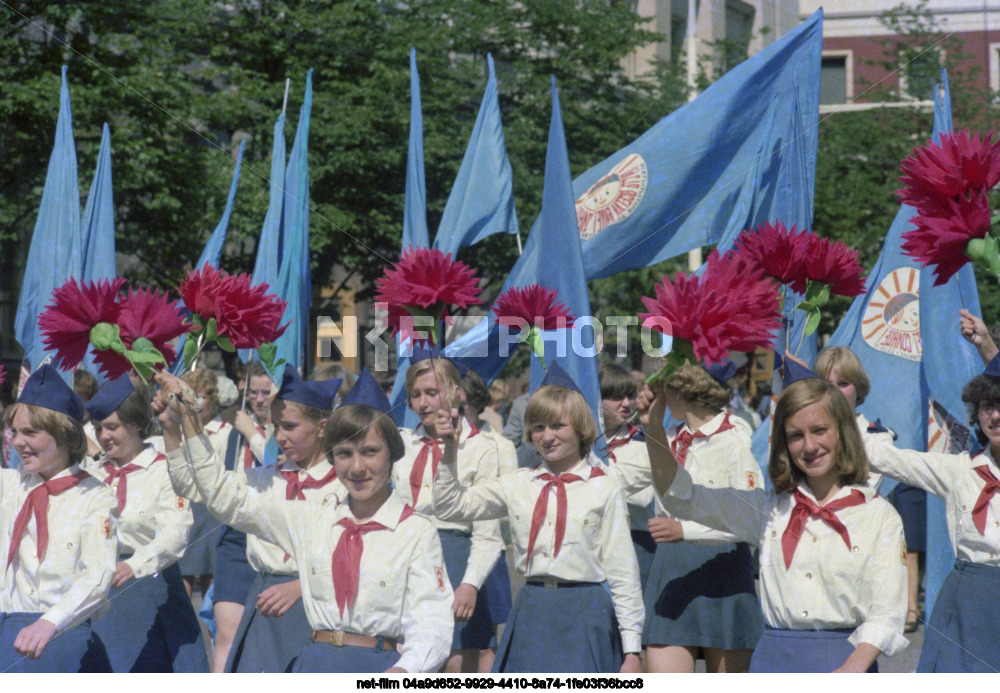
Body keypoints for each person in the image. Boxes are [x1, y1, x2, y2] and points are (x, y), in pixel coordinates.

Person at [158, 368, 453, 672]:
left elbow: (433, 619)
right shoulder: (311, 518)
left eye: (370, 452)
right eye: (343, 454)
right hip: (315, 663)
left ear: (392, 453)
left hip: (379, 667)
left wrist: (406, 669)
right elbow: (223, 496)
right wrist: (190, 424)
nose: (356, 467)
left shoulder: (415, 531)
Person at [639, 375, 908, 672]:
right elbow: (681, 498)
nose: (809, 446)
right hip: (774, 660)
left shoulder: (879, 515)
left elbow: (887, 613)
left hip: (846, 661)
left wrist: (848, 672)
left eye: (820, 430)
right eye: (795, 435)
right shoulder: (767, 509)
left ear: (843, 432)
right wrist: (652, 428)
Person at [433, 364, 644, 673]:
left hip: (586, 612)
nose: (547, 436)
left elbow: (623, 571)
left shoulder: (603, 485)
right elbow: (452, 506)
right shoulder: (518, 483)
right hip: (532, 609)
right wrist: (450, 451)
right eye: (538, 427)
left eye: (558, 425)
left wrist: (632, 651)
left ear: (580, 427)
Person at [172, 364, 345, 672]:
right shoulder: (264, 479)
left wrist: (302, 586)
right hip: (264, 602)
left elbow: (350, 558)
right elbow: (202, 486)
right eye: (274, 426)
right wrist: (180, 425)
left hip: (320, 607)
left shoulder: (342, 485)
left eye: (289, 426)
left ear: (321, 427)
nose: (279, 436)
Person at [856, 314, 1000, 672]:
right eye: (986, 407)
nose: (995, 416)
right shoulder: (960, 471)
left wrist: (987, 348)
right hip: (968, 603)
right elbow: (888, 460)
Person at [640, 361, 763, 673]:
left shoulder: (736, 440)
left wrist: (686, 530)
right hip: (671, 565)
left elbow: (752, 519)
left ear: (680, 392)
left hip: (722, 567)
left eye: (664, 388)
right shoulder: (667, 435)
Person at [83, 375, 208, 672]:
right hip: (101, 592)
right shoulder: (91, 475)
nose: (104, 437)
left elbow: (175, 532)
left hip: (151, 587)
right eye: (99, 429)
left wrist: (134, 564)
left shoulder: (164, 469)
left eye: (112, 427)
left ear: (136, 424)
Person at [0, 364, 117, 672]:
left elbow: (97, 575)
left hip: (61, 634)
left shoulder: (93, 496)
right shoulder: (11, 486)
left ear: (63, 435)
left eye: (31, 432)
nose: (18, 442)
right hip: (7, 631)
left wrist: (49, 622)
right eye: (15, 432)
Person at [393, 355, 503, 672]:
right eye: (416, 394)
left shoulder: (482, 447)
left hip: (455, 559)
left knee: (455, 664)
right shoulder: (401, 442)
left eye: (432, 392)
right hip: (408, 560)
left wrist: (469, 583)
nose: (423, 402)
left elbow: (487, 530)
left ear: (455, 392)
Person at [814, 346, 921, 628]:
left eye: (843, 384)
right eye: (826, 384)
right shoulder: (803, 434)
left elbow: (860, 481)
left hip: (853, 560)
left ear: (858, 388)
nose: (835, 392)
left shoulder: (876, 437)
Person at [212, 361, 276, 672]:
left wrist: (254, 435)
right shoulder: (232, 430)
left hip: (274, 535)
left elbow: (279, 466)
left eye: (267, 392)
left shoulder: (283, 428)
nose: (260, 399)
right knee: (227, 631)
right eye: (254, 392)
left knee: (267, 635)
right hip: (237, 534)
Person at [459, 369, 515, 673]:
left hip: (487, 545)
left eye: (462, 406)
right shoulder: (443, 440)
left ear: (477, 403)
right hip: (450, 547)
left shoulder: (499, 445)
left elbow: (508, 501)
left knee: (485, 642)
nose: (455, 413)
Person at [177, 369, 229, 599]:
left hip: (211, 509)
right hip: (184, 505)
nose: (195, 403)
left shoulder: (226, 432)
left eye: (200, 396)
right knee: (183, 574)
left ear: (212, 399)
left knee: (212, 574)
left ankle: (214, 628)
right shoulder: (177, 430)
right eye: (189, 396)